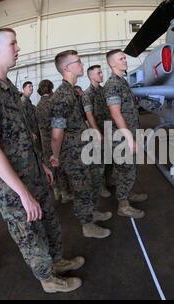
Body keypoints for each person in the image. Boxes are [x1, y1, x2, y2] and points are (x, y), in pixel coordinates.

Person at [0, 28, 83, 293]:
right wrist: (23, 194)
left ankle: (57, 262)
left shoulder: (9, 91)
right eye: (13, 44)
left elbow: (22, 136)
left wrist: (41, 164)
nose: (18, 48)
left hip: (32, 173)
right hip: (13, 188)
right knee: (30, 234)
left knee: (50, 223)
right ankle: (48, 279)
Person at [50, 50, 112, 239]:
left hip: (83, 148)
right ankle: (87, 224)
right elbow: (57, 132)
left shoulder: (72, 92)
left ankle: (92, 212)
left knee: (93, 182)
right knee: (82, 189)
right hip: (73, 153)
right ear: (67, 67)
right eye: (78, 61)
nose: (81, 64)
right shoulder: (62, 95)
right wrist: (56, 155)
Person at [103, 49, 148, 218]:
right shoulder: (113, 84)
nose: (125, 60)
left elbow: (129, 111)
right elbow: (116, 113)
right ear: (112, 64)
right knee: (125, 170)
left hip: (129, 133)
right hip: (122, 137)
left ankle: (128, 194)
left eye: (124, 58)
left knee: (131, 168)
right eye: (121, 59)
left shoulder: (122, 82)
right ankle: (123, 205)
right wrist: (130, 139)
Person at [35, 79, 74, 203]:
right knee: (60, 165)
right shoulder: (53, 102)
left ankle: (56, 191)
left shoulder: (38, 106)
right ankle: (65, 193)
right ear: (51, 88)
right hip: (56, 140)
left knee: (51, 167)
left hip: (45, 142)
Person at [82, 65, 112, 198]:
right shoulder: (87, 94)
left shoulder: (104, 90)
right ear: (91, 76)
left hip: (108, 128)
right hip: (97, 131)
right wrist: (97, 132)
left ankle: (109, 180)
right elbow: (89, 115)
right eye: (98, 73)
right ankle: (100, 187)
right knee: (99, 162)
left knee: (110, 157)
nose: (101, 75)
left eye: (101, 72)